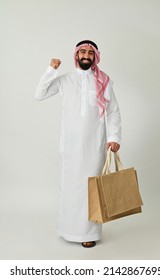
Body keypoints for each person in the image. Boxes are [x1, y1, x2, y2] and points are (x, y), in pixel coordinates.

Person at [35, 40, 121, 248]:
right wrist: (50, 70)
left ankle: (88, 234)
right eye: (82, 51)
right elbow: (39, 94)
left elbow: (113, 111)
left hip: (94, 146)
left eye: (90, 53)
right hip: (70, 148)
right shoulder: (65, 80)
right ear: (76, 55)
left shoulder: (104, 81)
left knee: (91, 189)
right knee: (71, 189)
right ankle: (67, 230)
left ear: (95, 57)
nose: (86, 55)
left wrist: (114, 138)